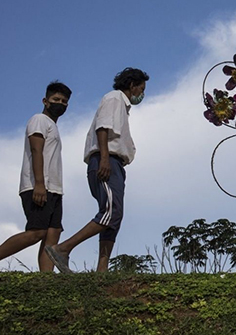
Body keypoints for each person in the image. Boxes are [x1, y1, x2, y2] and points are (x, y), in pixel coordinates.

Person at [46, 68, 149, 273]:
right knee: (111, 212)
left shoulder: (122, 105)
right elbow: (102, 127)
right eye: (142, 88)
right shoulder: (114, 98)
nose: (142, 93)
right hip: (106, 160)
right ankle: (63, 249)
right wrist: (104, 158)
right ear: (132, 85)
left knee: (114, 217)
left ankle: (102, 269)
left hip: (115, 163)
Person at [0, 82, 72, 271]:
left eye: (64, 101)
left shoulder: (52, 126)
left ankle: (46, 280)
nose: (60, 104)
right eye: (56, 99)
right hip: (38, 186)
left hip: (54, 188)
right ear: (45, 101)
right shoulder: (39, 120)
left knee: (53, 232)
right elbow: (36, 150)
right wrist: (39, 184)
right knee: (36, 232)